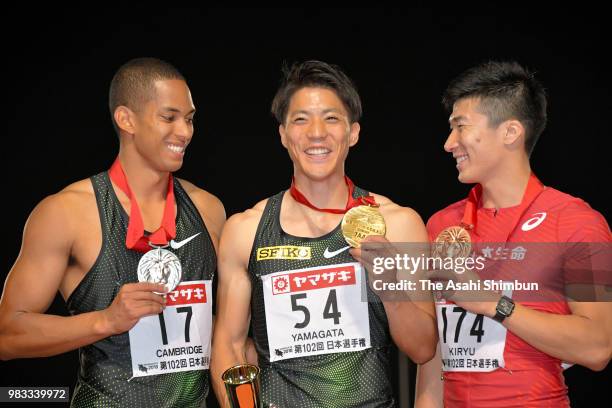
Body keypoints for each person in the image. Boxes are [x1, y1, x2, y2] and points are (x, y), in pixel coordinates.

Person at [210, 60, 437, 407]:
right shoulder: (246, 230)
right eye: (301, 119)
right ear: (284, 134)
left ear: (354, 132)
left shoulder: (398, 223)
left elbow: (423, 349)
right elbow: (229, 344)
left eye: (331, 118)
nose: (317, 132)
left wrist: (389, 285)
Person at [0, 57, 225, 407]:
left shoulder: (208, 209)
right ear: (126, 119)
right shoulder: (67, 212)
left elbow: (225, 328)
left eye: (190, 118)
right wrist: (105, 320)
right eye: (169, 117)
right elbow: (7, 334)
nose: (185, 131)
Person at [415, 61, 612, 407]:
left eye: (460, 127)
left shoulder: (577, 221)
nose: (449, 143)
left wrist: (494, 304)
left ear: (510, 132)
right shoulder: (440, 226)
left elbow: (597, 347)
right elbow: (434, 353)